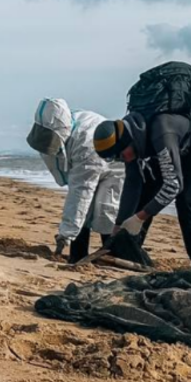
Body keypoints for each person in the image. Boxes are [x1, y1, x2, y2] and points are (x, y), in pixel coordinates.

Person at [92, 108, 191, 282]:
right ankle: (130, 250)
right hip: (178, 145)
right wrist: (119, 226)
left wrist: (139, 218)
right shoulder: (130, 139)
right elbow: (133, 184)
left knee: (186, 200)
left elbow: (173, 186)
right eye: (116, 159)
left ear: (127, 141)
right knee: (147, 191)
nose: (122, 160)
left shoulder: (160, 133)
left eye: (120, 155)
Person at [26, 98, 124, 263]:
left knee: (106, 211)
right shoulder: (66, 124)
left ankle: (114, 255)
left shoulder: (86, 143)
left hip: (115, 168)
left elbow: (81, 192)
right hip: (92, 163)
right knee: (84, 214)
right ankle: (78, 254)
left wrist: (66, 233)